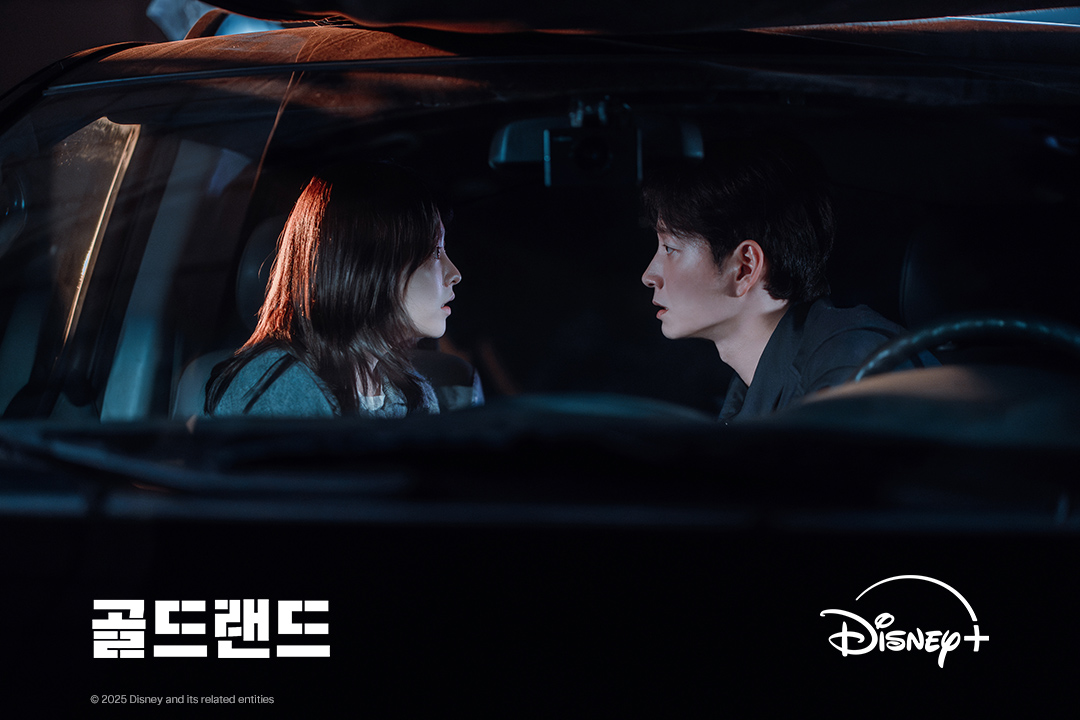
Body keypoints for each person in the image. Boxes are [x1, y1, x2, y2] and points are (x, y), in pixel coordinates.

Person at [640, 142, 935, 422]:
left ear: (745, 267)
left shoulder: (852, 361)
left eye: (670, 249)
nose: (649, 276)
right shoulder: (747, 391)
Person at [205, 162, 461, 418]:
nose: (455, 274)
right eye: (435, 252)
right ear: (369, 265)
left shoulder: (412, 392)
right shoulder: (276, 389)